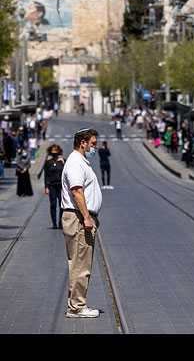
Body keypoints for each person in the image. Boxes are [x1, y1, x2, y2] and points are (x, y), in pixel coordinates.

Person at [60, 128, 102, 318]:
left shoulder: (81, 162)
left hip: (80, 217)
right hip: (78, 218)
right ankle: (76, 307)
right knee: (79, 264)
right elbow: (77, 191)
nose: (96, 147)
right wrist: (86, 217)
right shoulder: (76, 163)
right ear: (83, 143)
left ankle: (76, 304)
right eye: (93, 143)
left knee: (81, 262)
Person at [44, 144, 65, 229]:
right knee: (53, 204)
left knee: (61, 205)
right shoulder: (48, 163)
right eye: (53, 150)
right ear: (50, 152)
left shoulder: (63, 161)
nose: (54, 152)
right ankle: (54, 223)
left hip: (61, 186)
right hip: (52, 185)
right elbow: (46, 175)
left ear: (59, 151)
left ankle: (60, 223)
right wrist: (46, 187)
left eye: (56, 150)